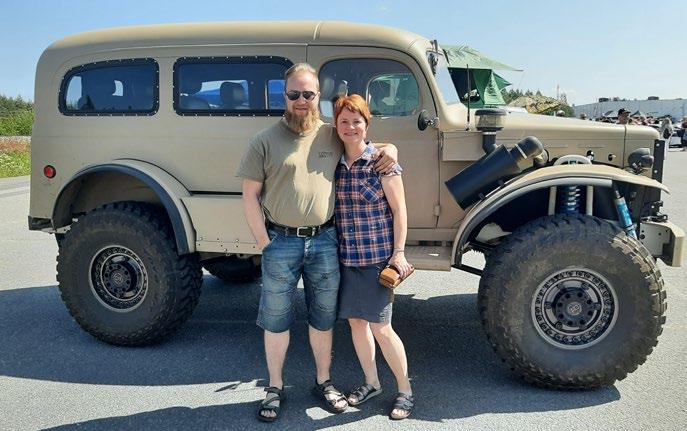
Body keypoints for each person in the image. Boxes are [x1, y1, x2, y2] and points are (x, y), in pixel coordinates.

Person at [237, 63, 398, 422]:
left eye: (307, 94)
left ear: (317, 96)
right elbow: (249, 195)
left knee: (323, 318)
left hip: (325, 241)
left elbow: (365, 142)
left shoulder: (331, 134)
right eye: (293, 94)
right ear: (284, 95)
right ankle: (274, 387)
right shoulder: (263, 141)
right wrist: (264, 242)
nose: (301, 100)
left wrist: (393, 148)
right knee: (276, 320)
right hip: (280, 241)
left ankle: (323, 382)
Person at [333, 94, 415, 420]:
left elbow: (399, 211)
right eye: (344, 121)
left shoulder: (382, 163)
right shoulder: (334, 163)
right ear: (336, 126)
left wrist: (399, 253)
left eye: (357, 121)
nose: (350, 127)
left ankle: (405, 390)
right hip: (346, 258)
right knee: (356, 323)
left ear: (367, 125)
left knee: (382, 327)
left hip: (377, 258)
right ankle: (372, 382)